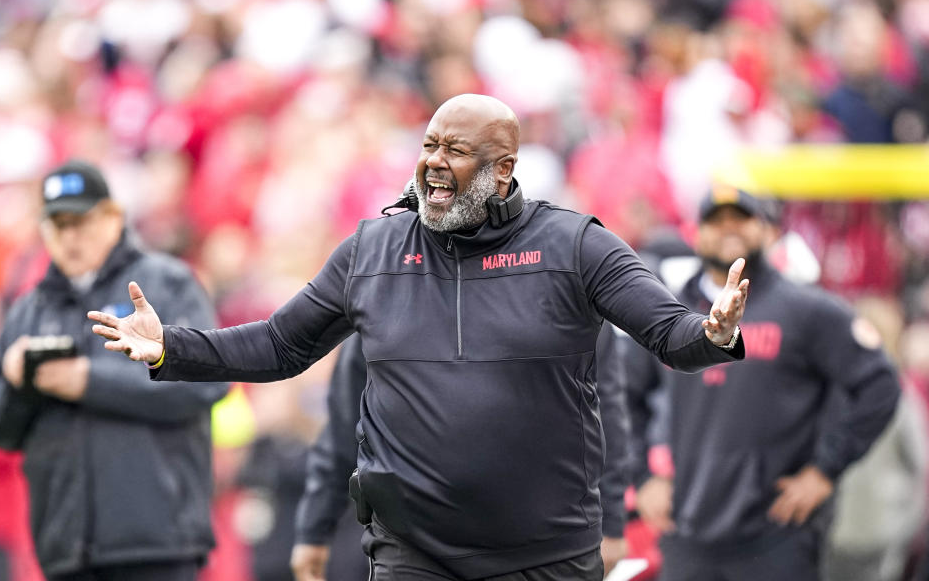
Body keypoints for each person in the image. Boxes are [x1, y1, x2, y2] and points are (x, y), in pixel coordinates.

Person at [88, 93, 749, 581]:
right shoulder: (372, 248)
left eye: (455, 151)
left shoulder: (573, 244)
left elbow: (668, 332)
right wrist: (174, 346)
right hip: (414, 555)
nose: (434, 162)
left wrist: (711, 331)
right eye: (429, 145)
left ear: (503, 167)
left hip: (544, 554)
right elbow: (281, 344)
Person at [626, 185, 901, 581]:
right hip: (686, 530)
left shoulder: (807, 310)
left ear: (769, 231)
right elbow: (623, 394)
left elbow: (879, 384)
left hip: (776, 535)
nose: (729, 229)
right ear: (695, 234)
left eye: (742, 219)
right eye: (716, 221)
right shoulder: (668, 312)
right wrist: (643, 478)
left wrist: (824, 470)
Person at [0, 160, 228, 581]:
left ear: (113, 218)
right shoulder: (29, 309)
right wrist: (16, 382)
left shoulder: (166, 284)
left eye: (81, 222)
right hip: (66, 549)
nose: (70, 236)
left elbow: (210, 379)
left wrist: (88, 381)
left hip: (158, 542)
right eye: (58, 225)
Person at [289, 325, 631, 581]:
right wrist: (314, 527)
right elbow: (345, 421)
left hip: (542, 540)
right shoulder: (387, 287)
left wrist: (612, 522)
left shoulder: (567, 272)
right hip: (416, 544)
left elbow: (605, 414)